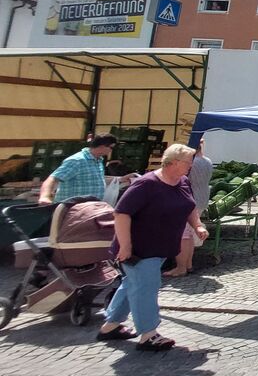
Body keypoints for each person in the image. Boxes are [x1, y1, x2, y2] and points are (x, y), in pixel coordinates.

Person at [96, 144, 207, 351]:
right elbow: (121, 214)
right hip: (140, 248)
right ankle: (149, 334)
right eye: (187, 163)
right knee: (146, 287)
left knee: (132, 284)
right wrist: (126, 246)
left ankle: (110, 326)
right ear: (172, 163)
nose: (191, 166)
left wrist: (198, 225)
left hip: (161, 246)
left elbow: (189, 206)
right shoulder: (146, 184)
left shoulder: (181, 181)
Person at [167, 140, 214, 277]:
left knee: (183, 236)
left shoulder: (191, 163)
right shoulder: (208, 161)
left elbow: (182, 181)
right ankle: (188, 265)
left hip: (189, 200)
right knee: (188, 234)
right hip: (202, 198)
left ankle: (181, 267)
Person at [39, 134, 117, 204]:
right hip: (71, 209)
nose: (111, 150)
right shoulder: (77, 160)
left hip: (89, 209)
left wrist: (121, 180)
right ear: (102, 146)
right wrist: (45, 196)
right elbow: (53, 178)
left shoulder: (98, 160)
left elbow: (95, 180)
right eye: (111, 147)